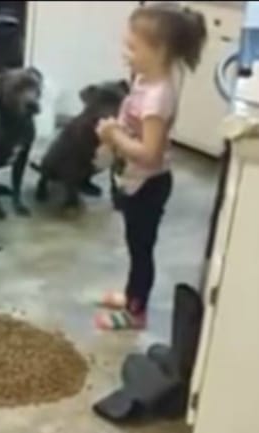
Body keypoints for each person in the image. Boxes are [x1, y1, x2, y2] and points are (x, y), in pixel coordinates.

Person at [93, 2, 207, 330]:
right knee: (134, 245)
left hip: (149, 185)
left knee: (141, 250)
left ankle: (135, 312)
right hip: (135, 180)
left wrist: (114, 135)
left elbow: (150, 154)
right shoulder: (144, 81)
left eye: (132, 46)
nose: (125, 52)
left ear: (160, 52)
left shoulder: (158, 98)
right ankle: (132, 295)